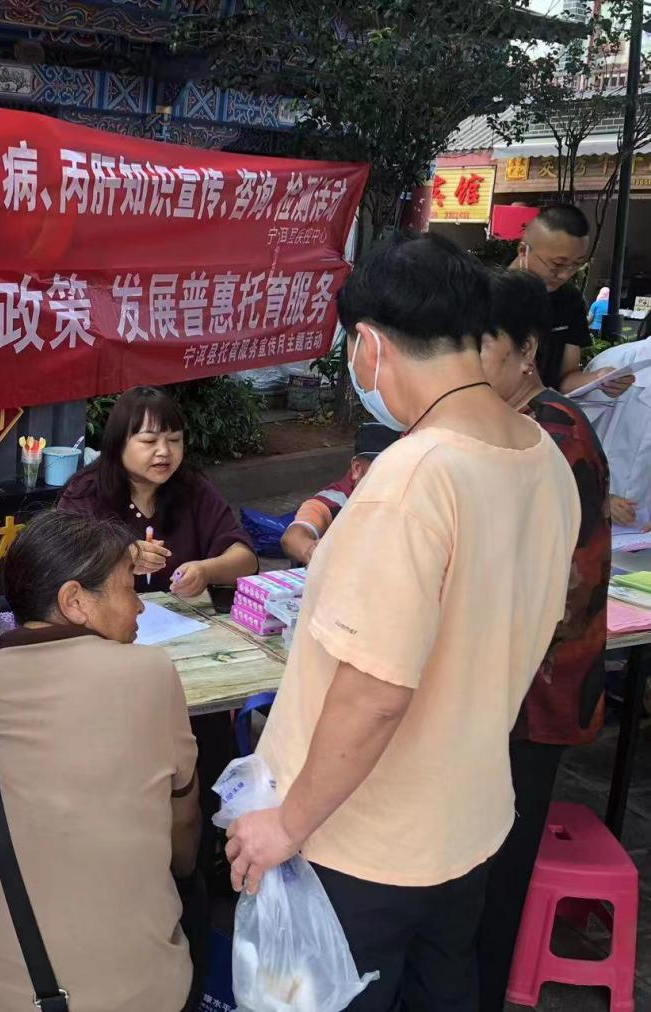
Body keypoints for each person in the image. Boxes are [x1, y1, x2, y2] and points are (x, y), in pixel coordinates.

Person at [225, 233, 580, 1011]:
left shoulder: (413, 477)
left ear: (369, 345)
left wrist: (286, 824)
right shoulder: (541, 457)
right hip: (464, 825)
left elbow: (376, 692)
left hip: (362, 846)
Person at [0, 509, 201, 1012]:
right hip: (149, 996)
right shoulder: (152, 673)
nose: (140, 605)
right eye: (128, 588)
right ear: (75, 601)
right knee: (193, 889)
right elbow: (182, 831)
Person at [474, 268, 611, 1010]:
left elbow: (549, 588)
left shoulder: (551, 437)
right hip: (510, 686)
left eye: (481, 346)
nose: (464, 365)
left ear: (526, 351)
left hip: (536, 693)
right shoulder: (508, 424)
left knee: (496, 872)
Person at [58, 386, 258, 598]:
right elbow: (60, 563)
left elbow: (245, 558)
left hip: (180, 615)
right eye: (149, 441)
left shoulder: (192, 487)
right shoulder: (85, 491)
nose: (164, 451)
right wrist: (118, 557)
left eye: (174, 440)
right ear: (118, 444)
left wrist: (206, 571)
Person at [510, 204, 633, 397]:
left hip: (541, 409)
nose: (564, 275)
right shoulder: (484, 293)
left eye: (575, 265)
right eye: (557, 264)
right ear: (523, 251)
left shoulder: (569, 299)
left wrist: (600, 378)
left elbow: (566, 379)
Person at [280, 423, 398, 566]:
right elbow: (293, 537)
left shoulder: (410, 495)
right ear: (357, 468)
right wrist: (310, 550)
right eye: (385, 468)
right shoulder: (335, 500)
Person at [581, 333, 651, 530]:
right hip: (588, 515)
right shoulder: (613, 362)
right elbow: (568, 444)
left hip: (642, 531)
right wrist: (598, 497)